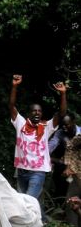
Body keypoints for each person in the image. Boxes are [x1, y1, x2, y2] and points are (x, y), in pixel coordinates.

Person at [9, 75, 68, 203]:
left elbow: (61, 114)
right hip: (21, 171)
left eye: (39, 111)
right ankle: (39, 221)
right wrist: (14, 86)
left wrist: (63, 94)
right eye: (34, 111)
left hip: (38, 172)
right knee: (22, 203)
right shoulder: (21, 123)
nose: (37, 113)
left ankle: (33, 221)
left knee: (28, 202)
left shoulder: (46, 127)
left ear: (42, 113)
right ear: (29, 113)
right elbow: (11, 106)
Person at [49, 113, 77, 200]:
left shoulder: (79, 133)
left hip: (77, 166)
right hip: (63, 164)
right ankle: (59, 202)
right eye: (62, 125)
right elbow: (52, 145)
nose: (64, 127)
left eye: (67, 124)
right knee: (60, 185)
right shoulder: (60, 132)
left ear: (73, 122)